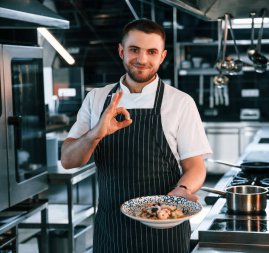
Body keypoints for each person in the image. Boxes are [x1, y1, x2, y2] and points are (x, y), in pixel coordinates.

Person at [60, 18, 212, 253]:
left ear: (162, 56)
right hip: (112, 231)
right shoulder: (97, 98)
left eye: (151, 52)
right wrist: (95, 134)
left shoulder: (180, 102)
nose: (142, 60)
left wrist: (182, 190)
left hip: (165, 228)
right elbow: (69, 160)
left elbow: (195, 167)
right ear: (121, 51)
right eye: (134, 50)